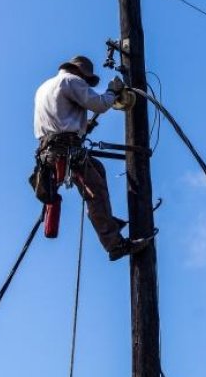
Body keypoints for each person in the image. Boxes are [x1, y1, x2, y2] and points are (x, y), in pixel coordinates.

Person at [32, 55, 150, 261]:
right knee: (95, 193)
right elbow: (101, 104)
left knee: (98, 169)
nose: (86, 84)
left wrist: (85, 126)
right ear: (80, 73)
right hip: (66, 150)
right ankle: (114, 244)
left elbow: (61, 120)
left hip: (48, 152)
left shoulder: (45, 86)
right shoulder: (72, 81)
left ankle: (107, 221)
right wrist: (113, 91)